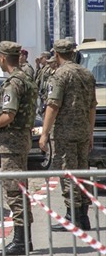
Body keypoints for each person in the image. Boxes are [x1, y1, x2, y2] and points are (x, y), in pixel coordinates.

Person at [39, 39, 97, 231]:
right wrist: (90, 132)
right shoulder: (87, 73)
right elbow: (92, 107)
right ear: (73, 53)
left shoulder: (60, 75)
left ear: (56, 54)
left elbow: (53, 105)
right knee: (82, 172)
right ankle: (83, 216)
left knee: (68, 173)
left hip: (65, 133)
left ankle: (73, 216)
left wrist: (44, 133)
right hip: (82, 132)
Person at [0, 41, 37, 256]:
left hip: (12, 142)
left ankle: (21, 241)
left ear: (2, 58)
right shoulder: (26, 78)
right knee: (19, 189)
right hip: (21, 140)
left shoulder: (13, 83)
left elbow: (8, 115)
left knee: (14, 191)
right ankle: (24, 239)